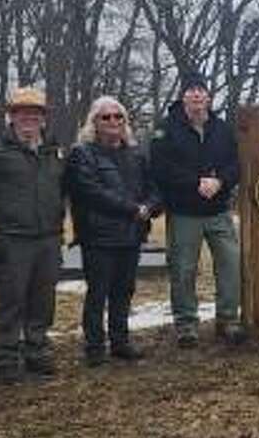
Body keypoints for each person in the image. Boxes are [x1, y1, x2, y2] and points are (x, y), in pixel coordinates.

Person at [0, 88, 67, 384]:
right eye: (22, 112)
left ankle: (37, 352)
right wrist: (3, 220)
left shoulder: (55, 151)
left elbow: (62, 191)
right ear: (11, 116)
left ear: (43, 118)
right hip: (12, 239)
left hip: (49, 237)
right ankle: (7, 358)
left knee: (43, 300)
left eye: (35, 112)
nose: (29, 117)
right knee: (11, 301)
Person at [149, 72, 244, 347]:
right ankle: (186, 324)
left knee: (230, 265)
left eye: (201, 90)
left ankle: (227, 320)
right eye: (191, 91)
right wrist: (195, 182)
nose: (196, 95)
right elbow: (160, 168)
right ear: (183, 97)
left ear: (209, 97)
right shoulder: (166, 128)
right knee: (183, 270)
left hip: (218, 211)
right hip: (183, 212)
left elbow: (236, 163)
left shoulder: (223, 129)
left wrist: (221, 181)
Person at [65, 97, 161, 366]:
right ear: (94, 121)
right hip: (98, 236)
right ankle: (94, 347)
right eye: (106, 117)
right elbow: (92, 192)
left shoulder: (136, 153)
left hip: (131, 234)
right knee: (98, 292)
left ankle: (121, 342)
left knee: (124, 290)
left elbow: (154, 188)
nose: (113, 122)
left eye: (118, 117)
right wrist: (133, 208)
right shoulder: (82, 154)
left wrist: (150, 207)